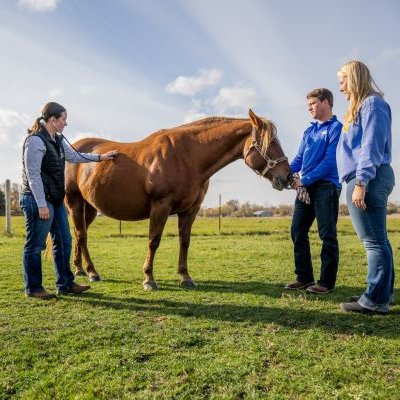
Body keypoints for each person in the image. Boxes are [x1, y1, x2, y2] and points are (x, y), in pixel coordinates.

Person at [20, 102, 118, 299]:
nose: (66, 123)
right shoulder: (35, 141)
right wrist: (40, 204)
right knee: (35, 245)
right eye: (63, 119)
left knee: (64, 241)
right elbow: (33, 175)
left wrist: (101, 157)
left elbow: (74, 155)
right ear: (53, 120)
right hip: (37, 199)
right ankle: (33, 288)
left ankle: (65, 283)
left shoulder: (56, 139)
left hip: (55, 199)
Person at [336, 61, 395, 315]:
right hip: (364, 178)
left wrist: (361, 182)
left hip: (368, 178)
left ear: (355, 78)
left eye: (343, 81)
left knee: (373, 243)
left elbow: (370, 147)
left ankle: (374, 300)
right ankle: (380, 295)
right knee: (378, 241)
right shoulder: (362, 106)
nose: (340, 88)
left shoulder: (372, 104)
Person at [285, 88, 342, 294]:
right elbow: (299, 159)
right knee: (297, 230)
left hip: (327, 186)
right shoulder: (309, 131)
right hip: (306, 188)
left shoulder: (337, 128)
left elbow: (329, 162)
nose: (309, 108)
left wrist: (304, 180)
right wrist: (285, 174)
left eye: (313, 104)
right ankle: (304, 278)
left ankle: (326, 283)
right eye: (308, 105)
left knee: (327, 234)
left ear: (326, 102)